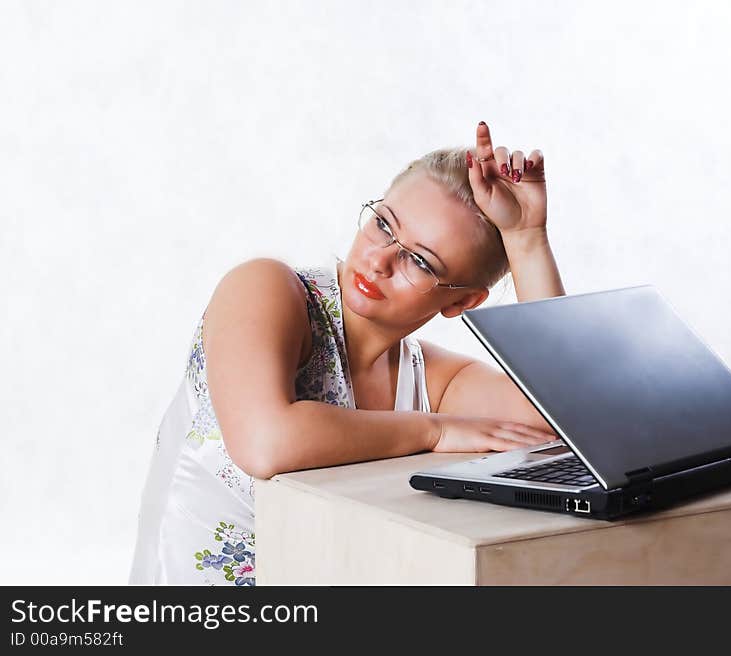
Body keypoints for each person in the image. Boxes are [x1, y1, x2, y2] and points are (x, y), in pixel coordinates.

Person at [129, 121, 567, 585]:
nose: (379, 261)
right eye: (383, 225)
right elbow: (266, 442)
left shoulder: (429, 380)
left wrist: (526, 238)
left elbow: (561, 421)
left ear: (460, 302)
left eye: (418, 262)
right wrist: (433, 431)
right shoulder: (266, 289)